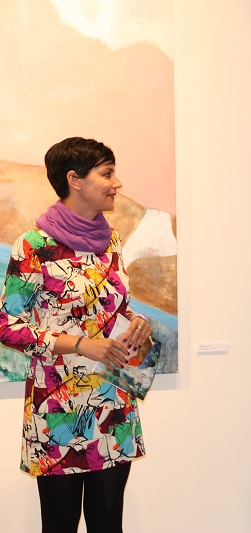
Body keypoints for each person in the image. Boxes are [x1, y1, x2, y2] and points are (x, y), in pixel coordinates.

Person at [0, 137, 151, 533]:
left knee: (108, 523)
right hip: (57, 407)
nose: (117, 183)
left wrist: (137, 321)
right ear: (75, 179)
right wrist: (83, 345)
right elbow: (7, 326)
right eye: (107, 173)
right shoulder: (34, 246)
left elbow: (113, 307)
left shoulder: (111, 241)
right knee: (60, 524)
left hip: (113, 402)